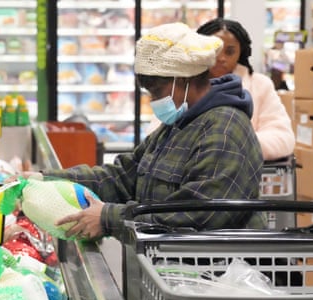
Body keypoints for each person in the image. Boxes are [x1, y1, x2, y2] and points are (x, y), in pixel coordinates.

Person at [22, 22, 265, 240]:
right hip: (172, 275)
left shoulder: (224, 129)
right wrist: (47, 179)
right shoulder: (180, 123)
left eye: (158, 92)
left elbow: (198, 214)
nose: (154, 101)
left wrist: (110, 218)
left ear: (184, 80)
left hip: (220, 277)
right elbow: (124, 176)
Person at [146, 18, 295, 161]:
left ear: (240, 53)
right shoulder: (181, 84)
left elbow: (282, 138)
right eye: (215, 51)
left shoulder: (260, 85)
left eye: (230, 52)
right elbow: (156, 133)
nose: (221, 58)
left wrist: (229, 147)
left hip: (242, 178)